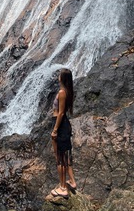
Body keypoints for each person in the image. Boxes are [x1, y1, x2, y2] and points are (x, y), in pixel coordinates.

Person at [50, 68, 77, 198]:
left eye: (60, 74)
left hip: (60, 126)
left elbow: (60, 113)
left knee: (59, 158)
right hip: (65, 124)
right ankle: (72, 181)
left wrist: (55, 129)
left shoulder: (62, 92)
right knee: (65, 157)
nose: (58, 76)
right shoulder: (68, 91)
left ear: (63, 78)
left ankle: (62, 188)